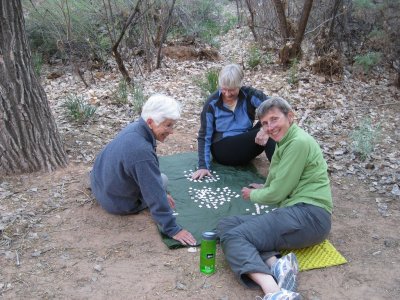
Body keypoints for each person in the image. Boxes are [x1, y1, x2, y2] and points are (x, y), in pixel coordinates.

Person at [217, 97, 333, 300]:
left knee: (235, 237)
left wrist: (254, 194)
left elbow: (277, 194)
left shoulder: (298, 142)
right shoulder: (284, 141)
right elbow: (278, 176)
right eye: (264, 123)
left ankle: (274, 292)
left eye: (274, 119)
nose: (270, 127)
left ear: (290, 116)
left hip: (309, 215)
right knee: (227, 224)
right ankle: (278, 265)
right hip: (297, 213)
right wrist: (265, 186)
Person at [90, 94, 196, 246]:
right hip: (118, 203)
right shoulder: (141, 151)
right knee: (162, 180)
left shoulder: (136, 127)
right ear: (151, 122)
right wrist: (173, 229)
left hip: (99, 185)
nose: (172, 131)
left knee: (159, 181)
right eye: (168, 125)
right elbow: (153, 191)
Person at [192, 63, 276, 180]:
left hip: (245, 143)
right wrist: (203, 166)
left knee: (272, 126)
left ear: (240, 85)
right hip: (223, 149)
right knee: (271, 130)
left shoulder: (249, 94)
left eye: (231, 90)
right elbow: (204, 136)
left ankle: (286, 171)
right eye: (224, 89)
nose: (227, 94)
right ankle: (282, 179)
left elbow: (275, 109)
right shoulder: (212, 103)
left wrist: (265, 129)